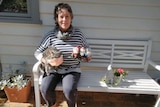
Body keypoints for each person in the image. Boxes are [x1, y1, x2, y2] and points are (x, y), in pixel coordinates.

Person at [34, 3, 91, 107]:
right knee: (45, 88)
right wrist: (48, 61)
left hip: (72, 69)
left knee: (69, 90)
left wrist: (82, 53)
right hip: (53, 69)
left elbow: (87, 53)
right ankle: (52, 104)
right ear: (56, 19)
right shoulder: (50, 35)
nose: (64, 20)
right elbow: (37, 52)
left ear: (71, 18)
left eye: (67, 16)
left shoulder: (78, 34)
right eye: (61, 17)